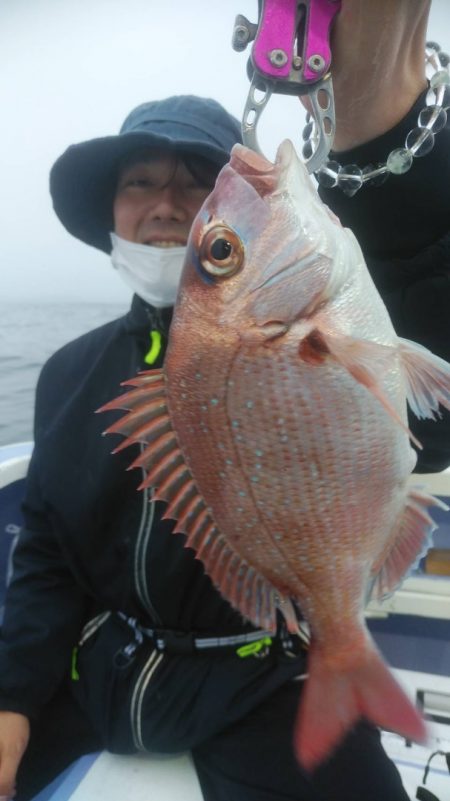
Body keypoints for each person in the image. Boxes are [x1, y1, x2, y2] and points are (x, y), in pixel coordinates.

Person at [1, 2, 449, 800]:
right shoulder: (68, 373)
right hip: (102, 677)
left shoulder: (341, 301)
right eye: (141, 181)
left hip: (263, 679)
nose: (169, 203)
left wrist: (384, 123)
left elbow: (429, 406)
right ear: (111, 209)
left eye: (196, 182)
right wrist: (12, 698)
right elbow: (44, 553)